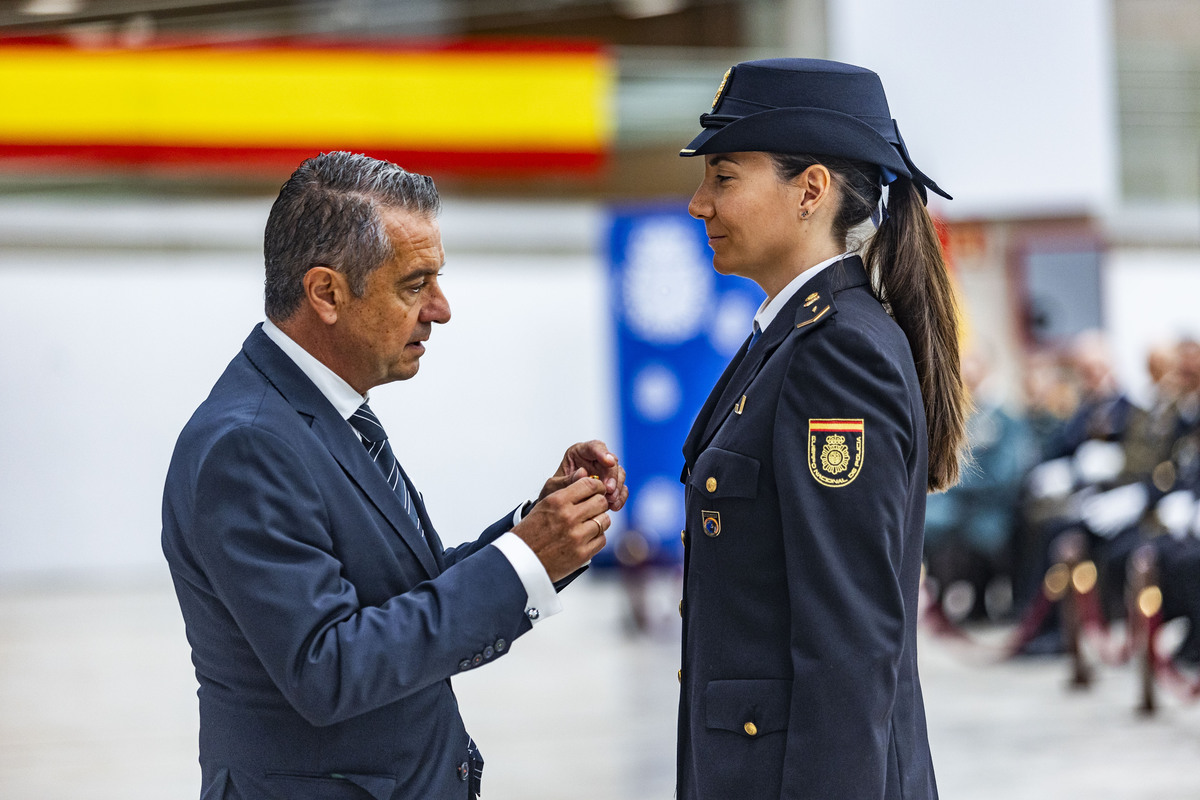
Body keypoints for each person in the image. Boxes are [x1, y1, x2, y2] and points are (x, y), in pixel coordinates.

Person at [161, 151, 627, 800]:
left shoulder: (328, 414)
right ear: (326, 293)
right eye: (415, 284)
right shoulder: (251, 443)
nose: (440, 309)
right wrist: (522, 561)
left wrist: (540, 534)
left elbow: (402, 596)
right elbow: (329, 667)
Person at [674, 59, 967, 799]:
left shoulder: (837, 353)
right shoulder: (789, 339)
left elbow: (848, 645)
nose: (698, 203)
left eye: (723, 176)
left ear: (810, 190)